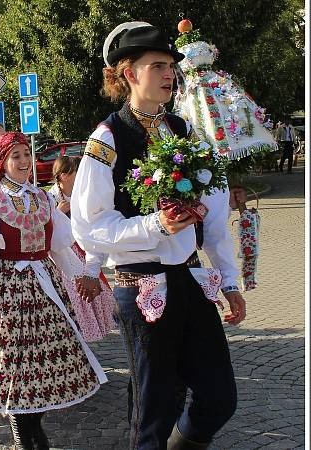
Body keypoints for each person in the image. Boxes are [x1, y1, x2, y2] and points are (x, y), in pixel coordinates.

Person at [71, 23, 245, 448]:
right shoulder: (107, 139)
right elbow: (90, 226)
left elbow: (215, 212)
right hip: (142, 283)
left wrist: (228, 278)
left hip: (189, 278)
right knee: (155, 408)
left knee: (219, 398)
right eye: (158, 66)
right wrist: (154, 226)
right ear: (129, 73)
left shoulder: (183, 131)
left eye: (170, 66)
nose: (169, 74)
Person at [0, 132, 106, 449]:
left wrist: (83, 277)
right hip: (7, 293)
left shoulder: (44, 198)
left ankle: (34, 432)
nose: (23, 161)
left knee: (44, 370)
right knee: (14, 371)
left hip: (44, 290)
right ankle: (27, 441)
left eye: (26, 154)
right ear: (2, 162)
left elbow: (61, 248)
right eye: (15, 156)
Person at [50, 156, 116, 342]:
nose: (80, 175)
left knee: (89, 287)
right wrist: (59, 213)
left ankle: (92, 326)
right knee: (73, 291)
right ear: (64, 175)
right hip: (63, 253)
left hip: (82, 250)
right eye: (75, 171)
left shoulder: (81, 194)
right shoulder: (52, 197)